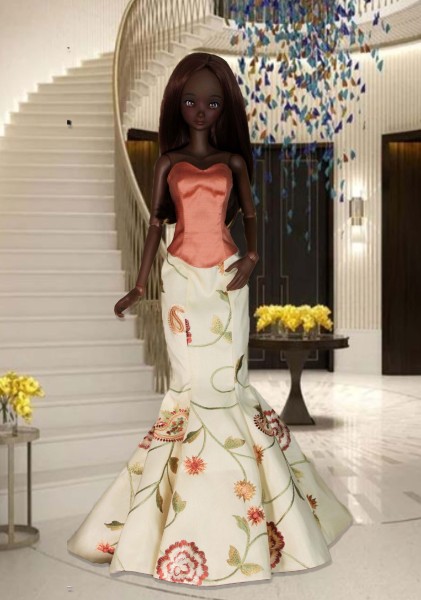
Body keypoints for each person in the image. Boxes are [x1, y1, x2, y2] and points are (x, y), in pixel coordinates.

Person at [67, 52, 353, 587]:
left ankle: (250, 517)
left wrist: (252, 257)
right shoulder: (167, 162)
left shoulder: (233, 162)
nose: (201, 110)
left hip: (226, 280)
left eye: (213, 103)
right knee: (188, 390)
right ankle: (169, 521)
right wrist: (140, 285)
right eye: (192, 101)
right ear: (179, 103)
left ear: (225, 109)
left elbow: (251, 215)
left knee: (227, 386)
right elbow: (155, 224)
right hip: (180, 280)